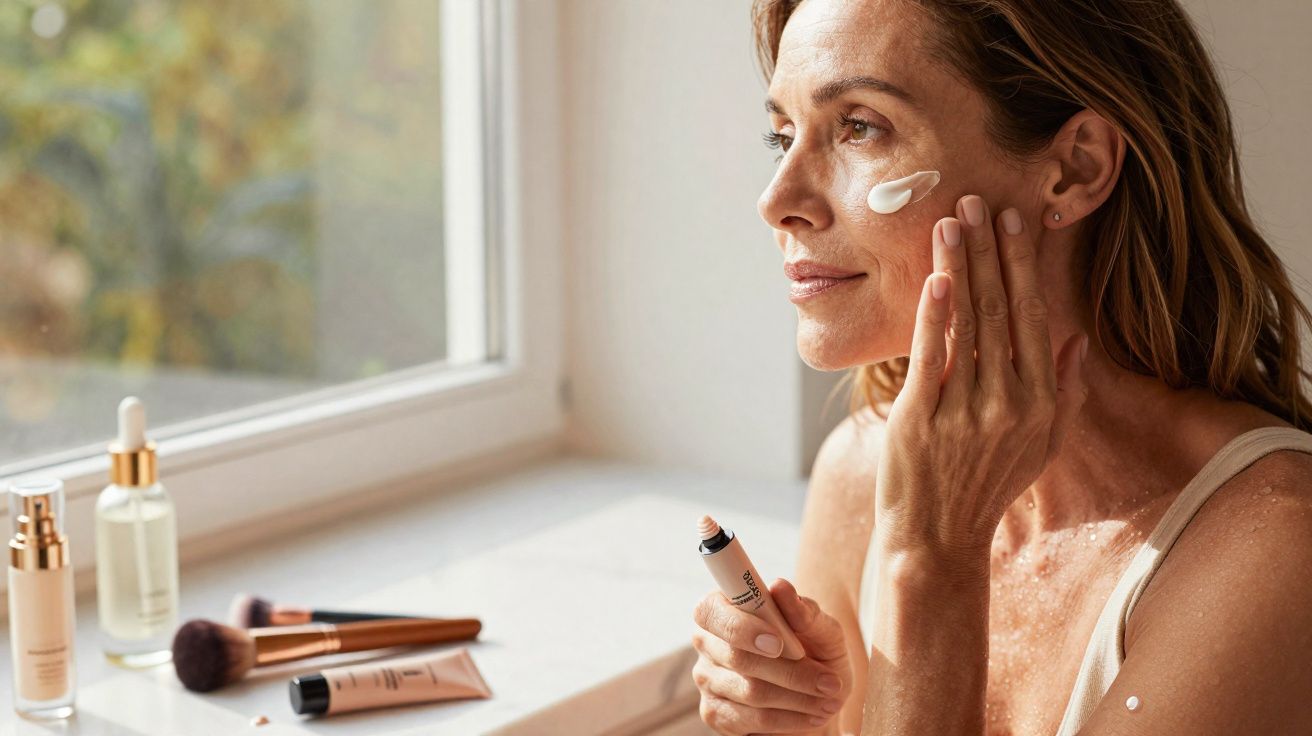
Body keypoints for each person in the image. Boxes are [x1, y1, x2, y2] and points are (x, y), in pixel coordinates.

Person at [690, 0, 1312, 733]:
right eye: (783, 135)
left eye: (860, 127)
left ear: (1074, 168)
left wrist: (933, 561)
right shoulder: (862, 474)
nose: (777, 201)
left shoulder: (1272, 549)